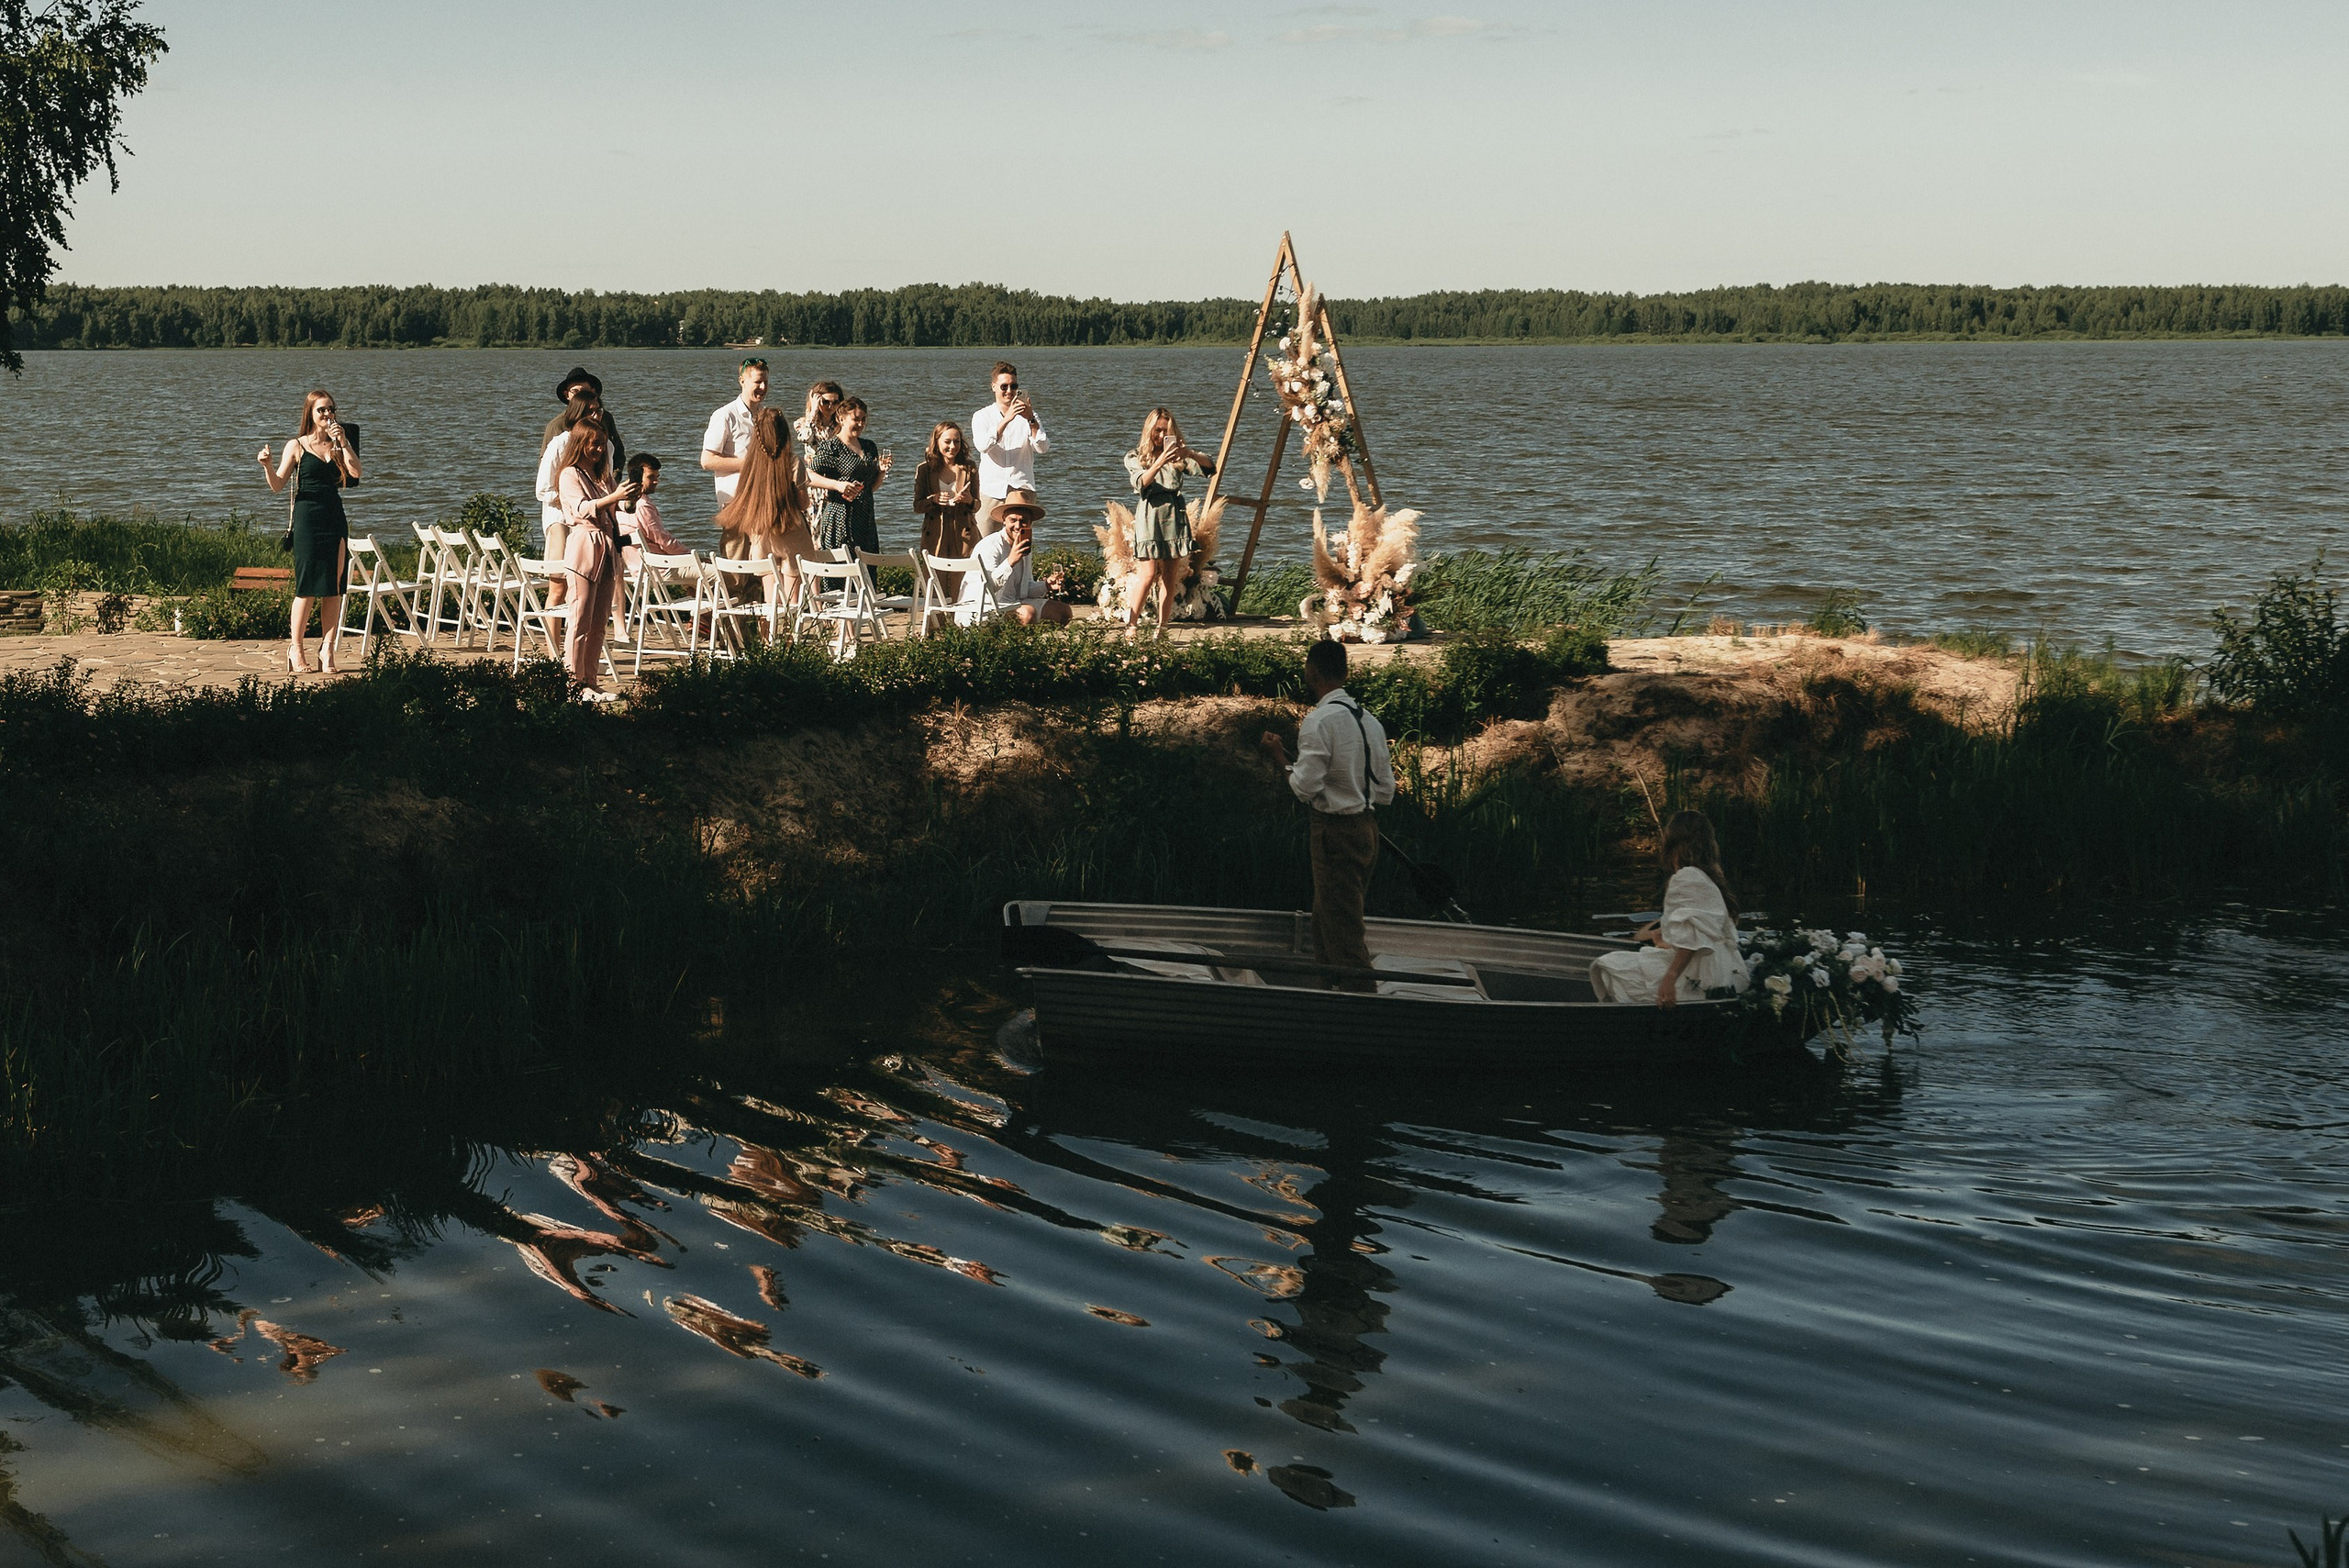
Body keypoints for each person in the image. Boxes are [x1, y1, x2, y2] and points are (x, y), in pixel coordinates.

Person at [1257, 639, 1396, 984]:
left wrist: (1280, 759)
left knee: (1344, 929)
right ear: (1346, 672)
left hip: (1334, 832)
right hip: (1368, 830)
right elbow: (1386, 791)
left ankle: (1361, 1007)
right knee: (1326, 920)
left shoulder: (1319, 721)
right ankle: (1328, 992)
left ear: (1311, 671)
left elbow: (1305, 788)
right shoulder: (1370, 721)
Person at [1589, 809, 1752, 1008]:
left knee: (1610, 966)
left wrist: (1670, 979)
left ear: (1673, 842)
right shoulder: (1708, 878)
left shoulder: (1687, 877)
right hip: (1723, 969)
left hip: (1701, 975)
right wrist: (1665, 943)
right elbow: (1704, 936)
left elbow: (1694, 937)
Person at [256, 388, 361, 675]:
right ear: (311, 415)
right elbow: (278, 485)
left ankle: (328, 649)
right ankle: (296, 648)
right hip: (307, 518)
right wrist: (267, 465)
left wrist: (343, 442)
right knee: (307, 588)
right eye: (321, 410)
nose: (327, 415)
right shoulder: (297, 445)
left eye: (331, 409)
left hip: (334, 518)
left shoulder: (341, 443)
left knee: (334, 588)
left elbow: (356, 473)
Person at [553, 423, 635, 699]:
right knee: (580, 620)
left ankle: (590, 680)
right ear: (580, 444)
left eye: (603, 444)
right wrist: (615, 497)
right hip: (585, 549)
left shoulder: (602, 477)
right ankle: (572, 683)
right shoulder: (569, 474)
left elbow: (617, 505)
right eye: (595, 444)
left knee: (600, 622)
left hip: (608, 550)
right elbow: (581, 509)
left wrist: (630, 498)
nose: (600, 450)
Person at [1121, 406, 1216, 633]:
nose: (1162, 436)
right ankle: (1131, 625)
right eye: (1157, 430)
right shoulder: (1136, 456)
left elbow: (1210, 468)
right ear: (1149, 430)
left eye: (1166, 431)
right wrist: (1160, 460)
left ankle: (1162, 627)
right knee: (1148, 574)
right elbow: (1141, 482)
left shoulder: (1178, 458)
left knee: (1169, 577)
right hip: (1150, 512)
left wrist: (1189, 454)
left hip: (1174, 514)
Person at [714, 406, 816, 612]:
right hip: (791, 533)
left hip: (761, 534)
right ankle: (789, 641)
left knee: (770, 602)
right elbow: (803, 503)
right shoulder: (793, 463)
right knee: (792, 602)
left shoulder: (751, 465)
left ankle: (769, 640)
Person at [954, 495, 1070, 626]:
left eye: (1023, 521)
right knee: (1027, 613)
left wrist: (1047, 585)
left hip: (1012, 602)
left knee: (1063, 612)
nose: (1018, 526)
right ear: (1004, 520)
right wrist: (1010, 561)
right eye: (1013, 520)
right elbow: (988, 587)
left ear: (1030, 522)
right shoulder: (990, 545)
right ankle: (1012, 643)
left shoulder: (1023, 543)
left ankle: (1029, 640)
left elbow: (1023, 590)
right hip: (982, 606)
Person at [970, 361, 1048, 537]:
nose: (1009, 391)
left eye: (1014, 386)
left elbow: (1042, 447)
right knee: (985, 544)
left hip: (1022, 488)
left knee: (1021, 545)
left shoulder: (1029, 415)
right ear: (994, 387)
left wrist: (1031, 420)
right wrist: (1006, 420)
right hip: (991, 491)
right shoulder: (981, 416)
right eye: (1004, 386)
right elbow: (982, 446)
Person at [808, 395, 888, 556]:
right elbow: (808, 475)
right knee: (840, 574)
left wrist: (881, 471)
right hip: (840, 517)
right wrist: (837, 485)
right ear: (841, 419)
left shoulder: (869, 446)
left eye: (864, 420)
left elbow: (870, 488)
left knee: (867, 571)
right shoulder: (831, 447)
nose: (861, 424)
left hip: (866, 518)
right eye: (856, 419)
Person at [699, 358, 769, 518]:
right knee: (736, 545)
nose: (763, 387)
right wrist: (751, 464)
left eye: (766, 382)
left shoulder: (766, 415)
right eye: (758, 382)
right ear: (742, 381)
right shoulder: (725, 415)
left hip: (764, 499)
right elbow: (707, 461)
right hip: (735, 502)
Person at [912, 421, 979, 589]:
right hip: (935, 532)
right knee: (935, 583)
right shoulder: (924, 470)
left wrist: (968, 500)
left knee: (963, 583)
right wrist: (933, 500)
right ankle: (937, 616)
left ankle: (961, 616)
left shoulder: (969, 468)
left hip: (964, 531)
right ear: (937, 442)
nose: (952, 446)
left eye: (956, 441)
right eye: (947, 441)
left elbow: (977, 505)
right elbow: (917, 506)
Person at [616, 452, 685, 573]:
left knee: (696, 579)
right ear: (637, 477)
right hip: (659, 568)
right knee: (717, 574)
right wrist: (691, 556)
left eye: (657, 477)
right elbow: (664, 541)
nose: (656, 481)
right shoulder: (643, 505)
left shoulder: (618, 504)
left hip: (636, 568)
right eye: (651, 477)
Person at [795, 380, 844, 447]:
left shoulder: (842, 424)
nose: (830, 406)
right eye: (825, 402)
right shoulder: (802, 423)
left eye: (835, 402)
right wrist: (813, 410)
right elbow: (805, 438)